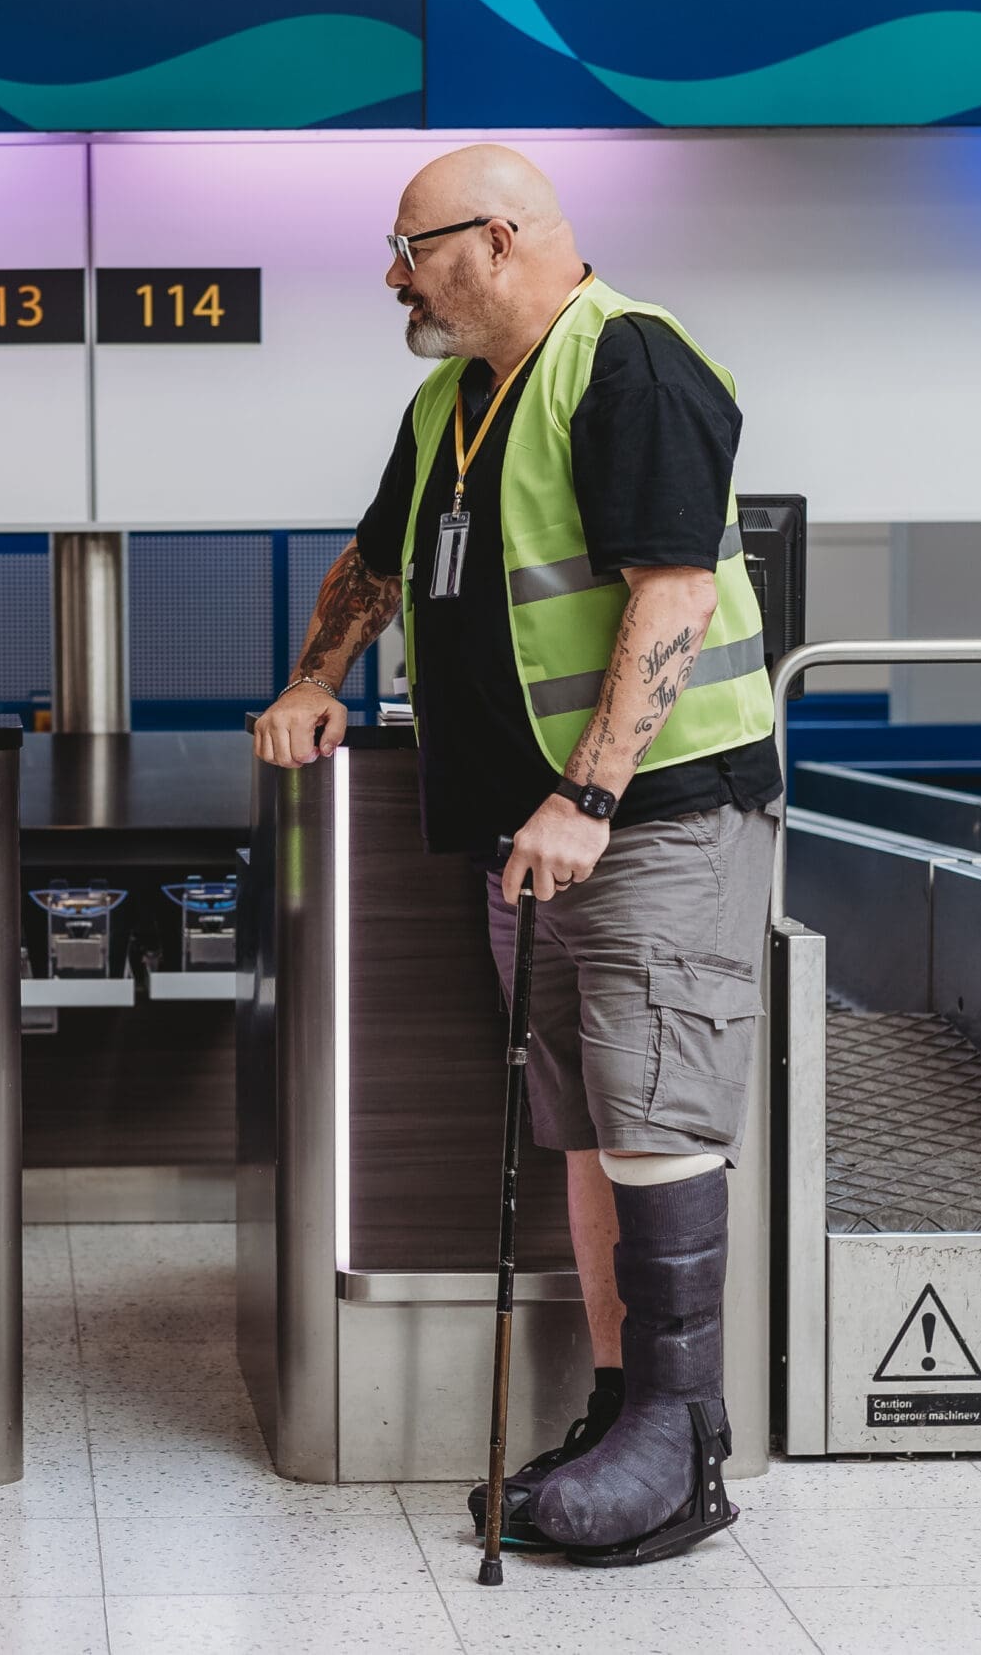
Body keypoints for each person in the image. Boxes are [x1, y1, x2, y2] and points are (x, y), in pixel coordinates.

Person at [253, 145, 779, 1567]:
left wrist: (591, 797)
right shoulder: (450, 401)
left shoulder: (633, 362)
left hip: (652, 819)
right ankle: (625, 1411)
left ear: (493, 239)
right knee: (595, 1125)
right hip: (529, 838)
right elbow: (373, 561)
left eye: (409, 248)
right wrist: (319, 677)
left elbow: (668, 589)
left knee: (659, 1114)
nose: (393, 277)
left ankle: (683, 1448)